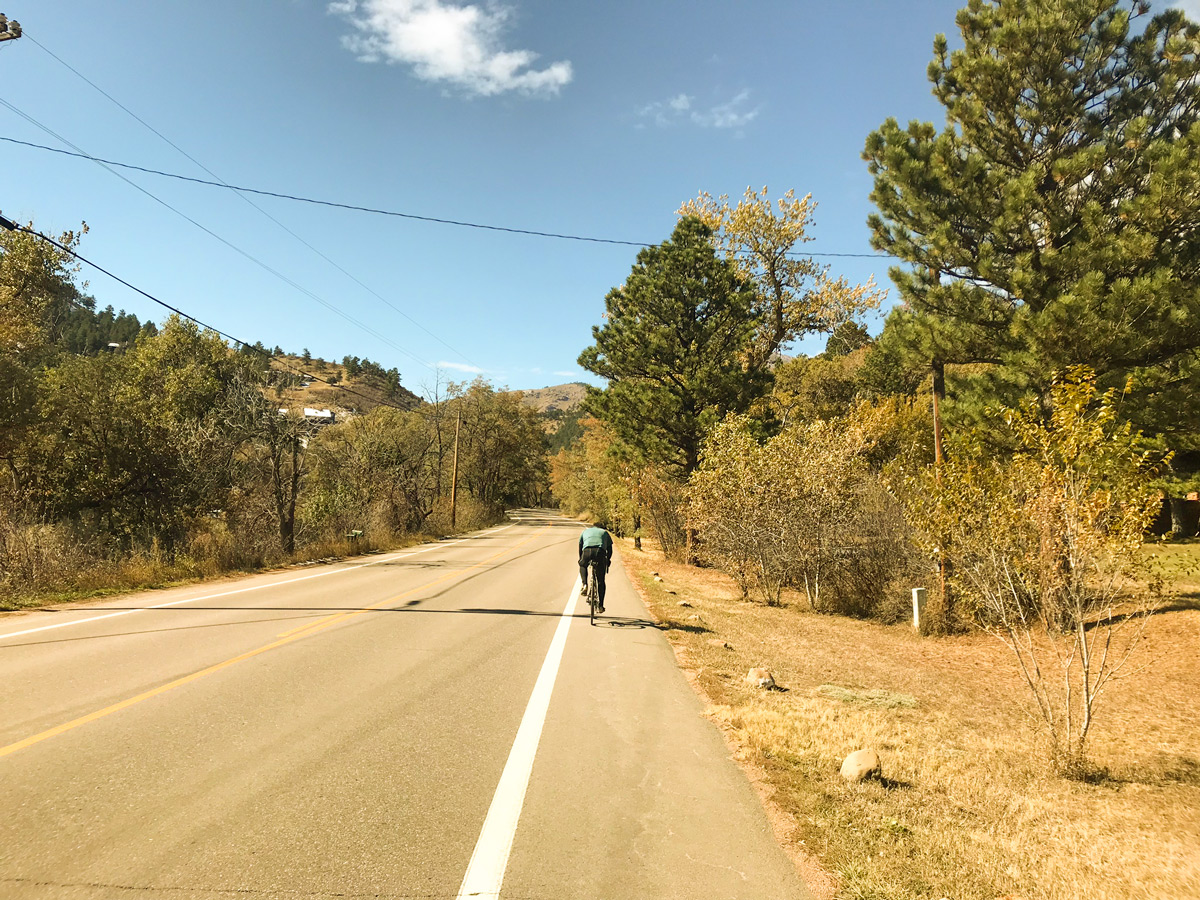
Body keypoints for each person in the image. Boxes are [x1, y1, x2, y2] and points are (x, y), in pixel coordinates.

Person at [578, 521, 613, 613]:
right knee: (601, 580)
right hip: (599, 551)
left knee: (582, 565)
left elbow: (580, 546)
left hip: (587, 551)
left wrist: (581, 559)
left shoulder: (585, 531)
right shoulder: (604, 532)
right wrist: (608, 560)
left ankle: (585, 584)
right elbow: (610, 549)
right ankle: (601, 606)